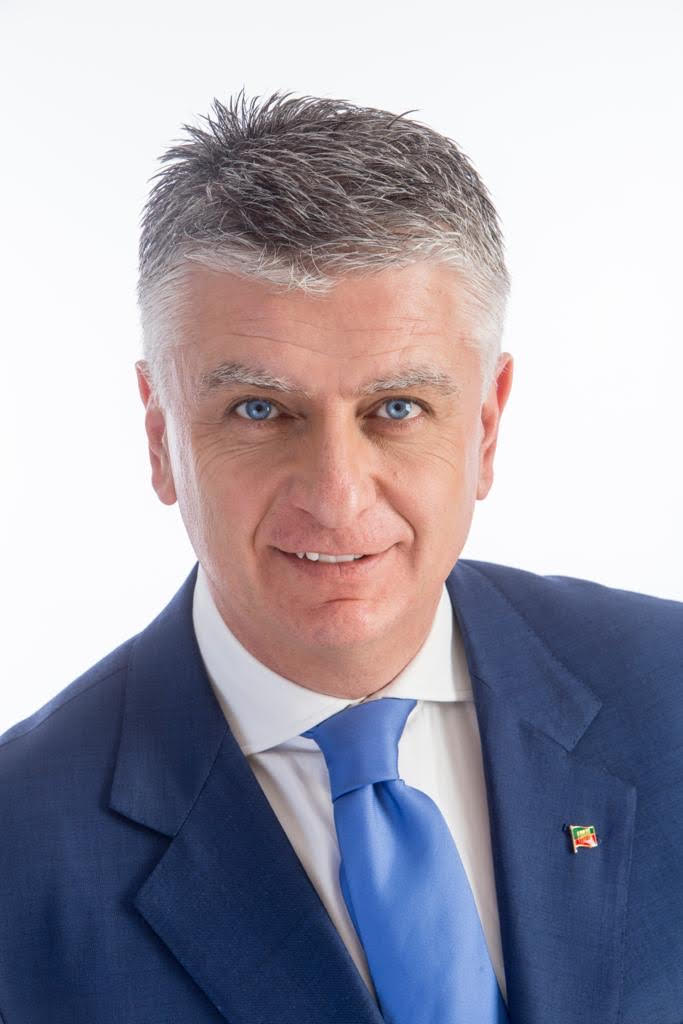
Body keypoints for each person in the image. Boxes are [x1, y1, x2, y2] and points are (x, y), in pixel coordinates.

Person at [0, 89, 680, 1024]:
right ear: (160, 437)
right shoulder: (20, 846)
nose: (335, 496)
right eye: (259, 410)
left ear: (485, 427)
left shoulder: (669, 688)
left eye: (396, 408)